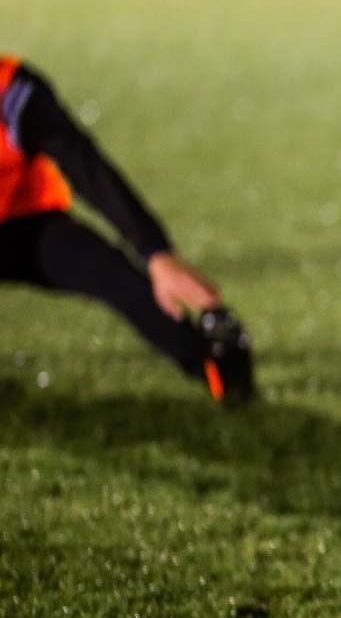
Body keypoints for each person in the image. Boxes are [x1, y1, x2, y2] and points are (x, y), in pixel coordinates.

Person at [0, 57, 254, 402]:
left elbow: (85, 166)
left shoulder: (12, 88)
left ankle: (212, 364)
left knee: (109, 272)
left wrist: (156, 253)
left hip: (18, 222)